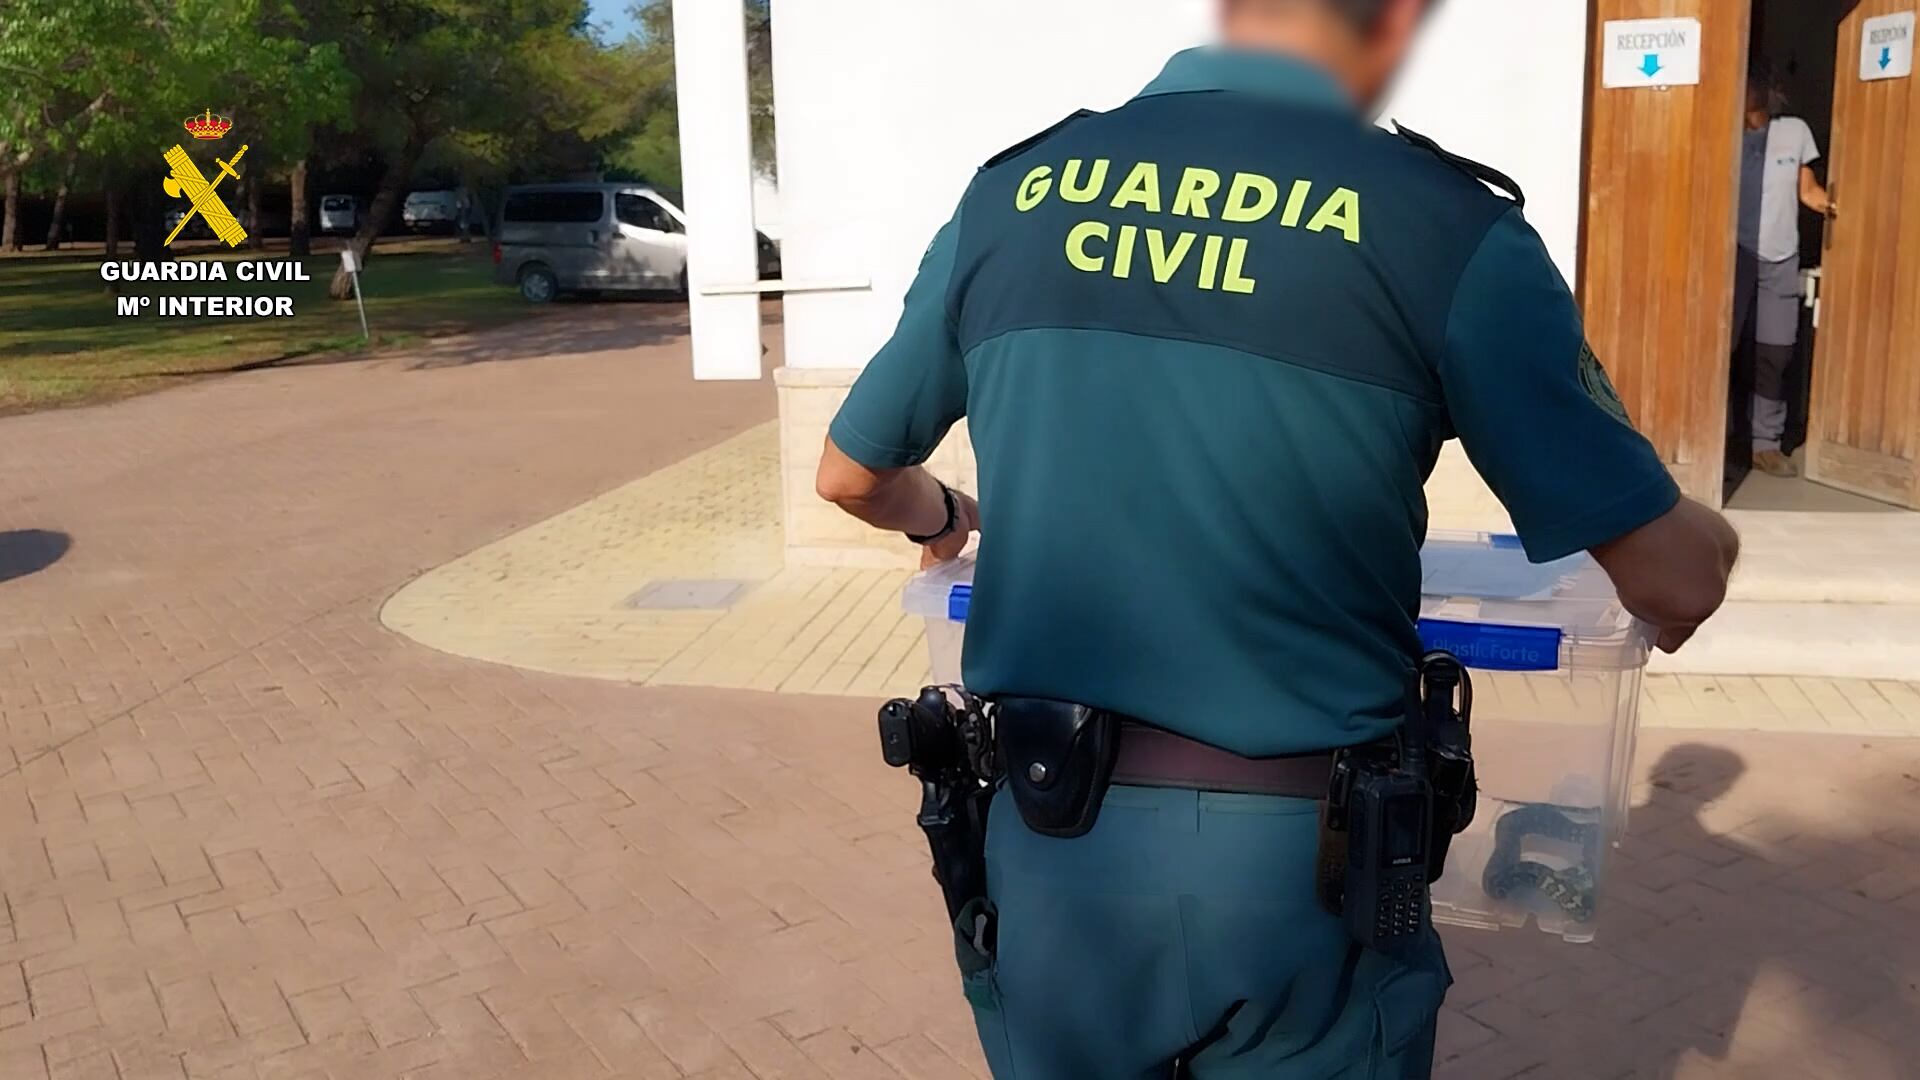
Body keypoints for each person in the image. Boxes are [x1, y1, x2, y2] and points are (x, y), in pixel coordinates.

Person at [816, 0, 1741, 1075]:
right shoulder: (1446, 226)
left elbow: (851, 474)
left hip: (1052, 841)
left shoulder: (1012, 196)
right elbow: (1675, 585)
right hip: (1304, 867)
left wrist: (940, 516)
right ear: (1394, 22)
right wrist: (1717, 536)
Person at [1733, 63, 1834, 478]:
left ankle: (1766, 444)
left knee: (1776, 351)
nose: (1756, 89)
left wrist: (1840, 209)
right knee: (1727, 349)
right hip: (1734, 256)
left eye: (1760, 82)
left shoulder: (1795, 131)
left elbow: (1807, 190)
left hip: (1780, 258)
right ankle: (1720, 442)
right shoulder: (1724, 130)